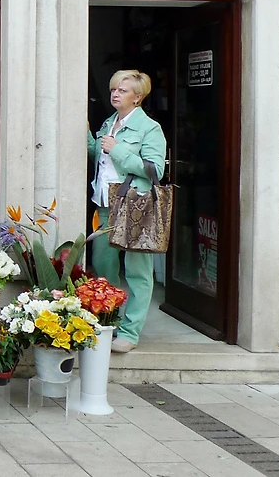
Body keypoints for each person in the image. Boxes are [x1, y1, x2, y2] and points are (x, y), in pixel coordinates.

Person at [87, 69, 167, 353]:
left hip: (135, 205)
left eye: (122, 90)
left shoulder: (150, 128)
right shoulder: (109, 122)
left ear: (138, 97)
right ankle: (110, 322)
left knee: (137, 272)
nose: (115, 94)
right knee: (103, 266)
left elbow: (154, 169)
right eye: (113, 89)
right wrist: (86, 134)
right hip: (105, 205)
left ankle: (130, 333)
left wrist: (118, 149)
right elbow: (99, 156)